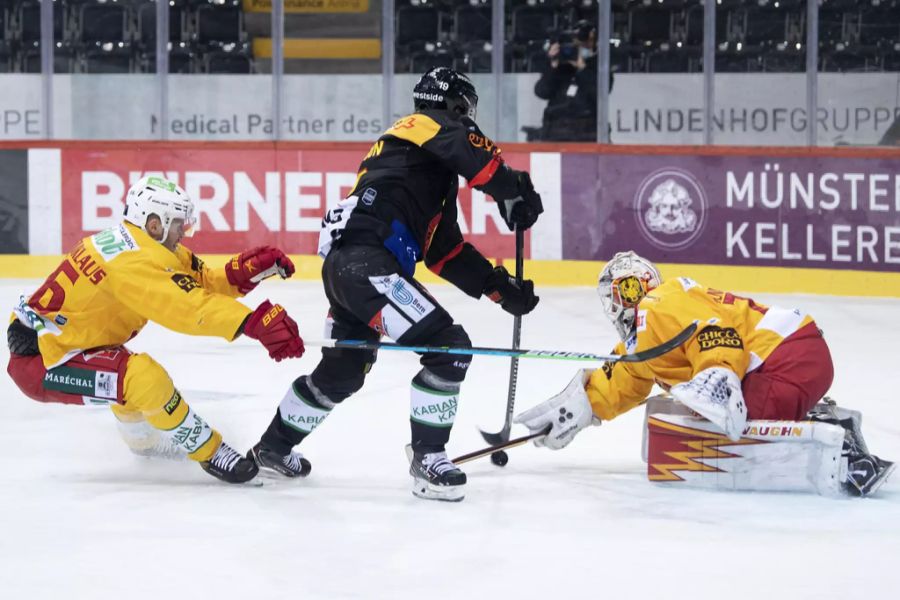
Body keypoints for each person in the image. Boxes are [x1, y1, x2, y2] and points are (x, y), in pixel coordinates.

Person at [250, 67, 544, 502]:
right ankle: (428, 459)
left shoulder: (421, 164)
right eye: (464, 111)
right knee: (450, 348)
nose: (467, 119)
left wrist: (499, 287)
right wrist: (514, 189)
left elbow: (444, 251)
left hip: (353, 268)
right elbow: (474, 154)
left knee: (343, 371)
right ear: (456, 105)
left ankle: (272, 447)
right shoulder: (423, 125)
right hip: (367, 265)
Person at [514, 251, 895, 497]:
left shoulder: (659, 305)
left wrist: (717, 374)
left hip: (787, 356)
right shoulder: (649, 333)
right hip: (796, 354)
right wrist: (579, 409)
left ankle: (844, 450)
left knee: (727, 420)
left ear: (621, 296)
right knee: (708, 411)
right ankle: (825, 420)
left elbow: (713, 332)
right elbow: (623, 378)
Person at [6, 176, 305, 484]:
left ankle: (144, 444)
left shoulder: (142, 244)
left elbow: (199, 283)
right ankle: (210, 452)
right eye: (179, 224)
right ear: (153, 223)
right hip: (45, 362)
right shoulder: (133, 260)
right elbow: (189, 307)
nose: (183, 232)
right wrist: (251, 322)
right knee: (143, 379)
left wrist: (245, 272)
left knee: (125, 379)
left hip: (72, 343)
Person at [533, 20, 605, 142]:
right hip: (556, 132)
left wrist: (582, 68)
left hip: (587, 133)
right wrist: (553, 65)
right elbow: (541, 92)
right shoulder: (560, 67)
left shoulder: (599, 66)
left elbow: (601, 92)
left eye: (581, 44)